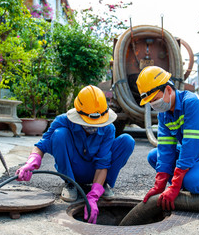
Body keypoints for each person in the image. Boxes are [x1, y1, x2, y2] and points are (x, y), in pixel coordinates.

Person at [15, 85, 135, 223]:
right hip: (73, 169)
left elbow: (103, 163)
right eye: (89, 122)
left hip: (97, 171)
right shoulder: (62, 121)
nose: (93, 127)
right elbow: (41, 145)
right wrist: (30, 163)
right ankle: (70, 184)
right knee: (59, 134)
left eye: (97, 123)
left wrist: (93, 196)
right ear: (79, 113)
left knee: (127, 140)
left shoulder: (108, 128)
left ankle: (101, 186)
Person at [136, 66, 199, 211]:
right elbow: (165, 150)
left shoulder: (191, 103)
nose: (154, 105)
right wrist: (159, 186)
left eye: (156, 100)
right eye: (151, 102)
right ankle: (190, 178)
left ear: (169, 90)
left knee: (193, 183)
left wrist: (175, 185)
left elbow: (191, 146)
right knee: (154, 156)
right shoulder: (164, 114)